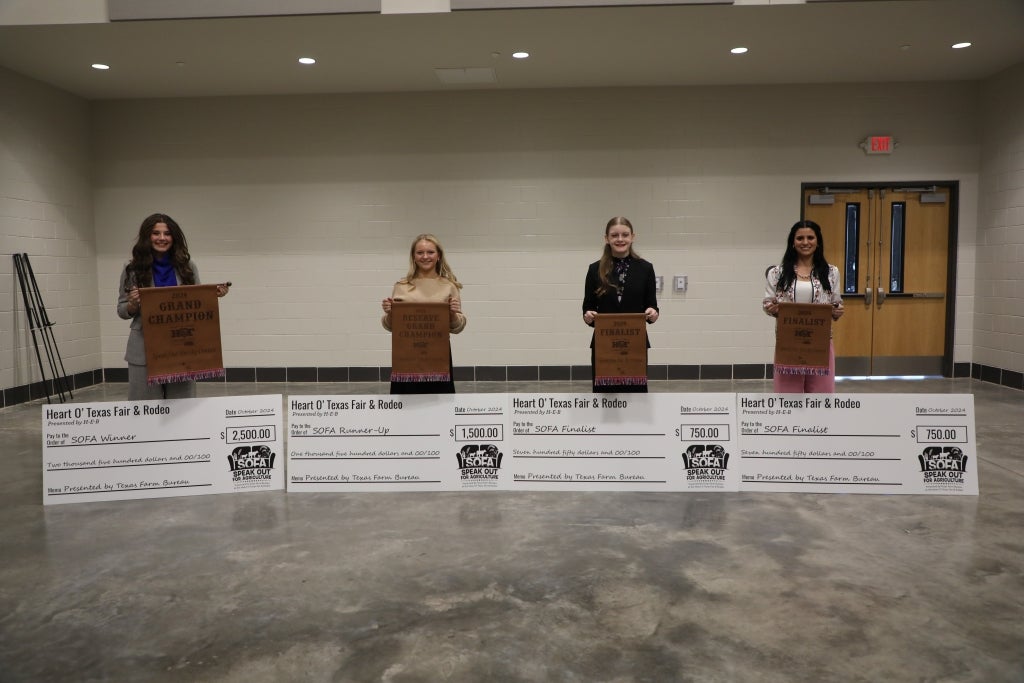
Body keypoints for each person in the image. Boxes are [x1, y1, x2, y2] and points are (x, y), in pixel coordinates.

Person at [117, 213, 229, 401]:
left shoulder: (187, 266)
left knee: (182, 412)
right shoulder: (132, 269)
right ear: (147, 236)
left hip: (181, 349)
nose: (162, 238)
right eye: (156, 233)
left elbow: (197, 301)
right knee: (145, 413)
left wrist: (212, 294)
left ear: (174, 237)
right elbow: (121, 311)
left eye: (167, 233)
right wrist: (133, 304)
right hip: (144, 352)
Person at [762, 219, 844, 393]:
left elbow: (836, 303)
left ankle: (819, 422)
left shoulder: (831, 272)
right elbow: (767, 303)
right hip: (789, 343)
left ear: (818, 241)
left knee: (821, 398)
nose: (805, 242)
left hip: (820, 343)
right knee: (788, 398)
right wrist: (773, 309)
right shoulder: (777, 273)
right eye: (800, 238)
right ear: (793, 242)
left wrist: (837, 310)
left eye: (810, 238)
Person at [582, 216, 659, 393]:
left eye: (625, 235)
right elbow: (588, 307)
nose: (620, 239)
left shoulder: (645, 268)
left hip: (635, 344)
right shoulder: (594, 269)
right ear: (606, 239)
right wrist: (588, 317)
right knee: (604, 399)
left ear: (633, 237)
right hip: (604, 345)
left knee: (636, 400)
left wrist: (653, 313)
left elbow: (652, 306)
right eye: (614, 235)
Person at [381, 234, 466, 394]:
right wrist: (390, 313)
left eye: (430, 252)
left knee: (440, 410)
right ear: (413, 256)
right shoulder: (401, 286)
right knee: (405, 409)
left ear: (438, 255)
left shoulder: (449, 286)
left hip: (438, 357)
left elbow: (458, 327)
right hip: (406, 356)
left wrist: (453, 314)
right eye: (420, 252)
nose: (425, 256)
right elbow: (391, 326)